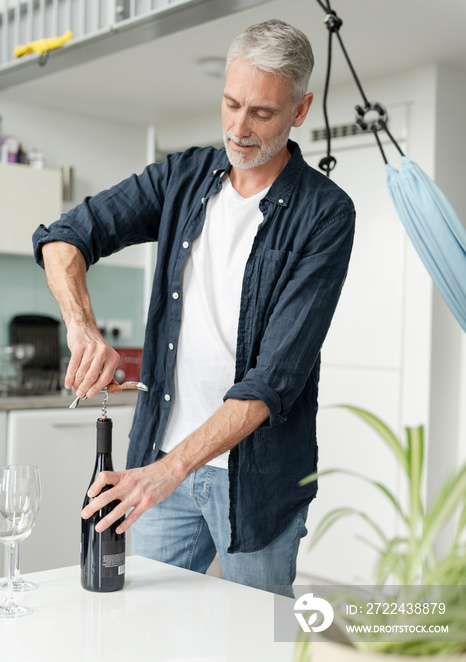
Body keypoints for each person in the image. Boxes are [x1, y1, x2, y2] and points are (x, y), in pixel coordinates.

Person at [33, 19, 355, 597]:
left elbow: (273, 381)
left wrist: (168, 470)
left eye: (262, 112)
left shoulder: (325, 214)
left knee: (256, 652)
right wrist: (83, 331)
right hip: (158, 463)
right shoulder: (182, 177)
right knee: (146, 637)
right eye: (231, 103)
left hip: (253, 483)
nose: (238, 127)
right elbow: (64, 238)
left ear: (301, 109)